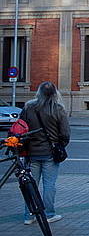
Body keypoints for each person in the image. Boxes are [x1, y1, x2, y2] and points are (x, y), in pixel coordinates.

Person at [20, 81, 71, 225]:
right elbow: (65, 133)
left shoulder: (29, 107)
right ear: (55, 93)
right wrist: (60, 146)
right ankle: (49, 214)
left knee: (31, 185)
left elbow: (21, 128)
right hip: (50, 152)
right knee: (49, 185)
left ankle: (29, 215)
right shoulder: (58, 109)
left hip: (31, 153)